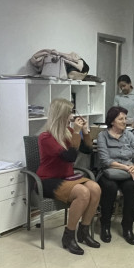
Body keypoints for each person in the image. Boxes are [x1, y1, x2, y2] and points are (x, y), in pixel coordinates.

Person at [36, 98, 102, 255]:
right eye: (69, 114)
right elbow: (70, 157)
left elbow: (87, 150)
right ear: (61, 115)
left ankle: (84, 231)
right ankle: (69, 235)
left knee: (95, 188)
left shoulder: (69, 132)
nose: (72, 117)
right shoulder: (45, 137)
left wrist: (85, 131)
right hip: (48, 180)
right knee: (83, 192)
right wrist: (77, 133)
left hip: (67, 177)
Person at [96, 106, 134, 245]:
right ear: (112, 121)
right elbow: (105, 160)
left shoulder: (129, 135)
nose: (124, 121)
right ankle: (105, 225)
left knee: (131, 187)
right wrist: (126, 167)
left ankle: (127, 227)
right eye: (121, 119)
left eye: (125, 118)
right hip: (109, 172)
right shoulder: (102, 136)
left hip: (128, 173)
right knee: (109, 187)